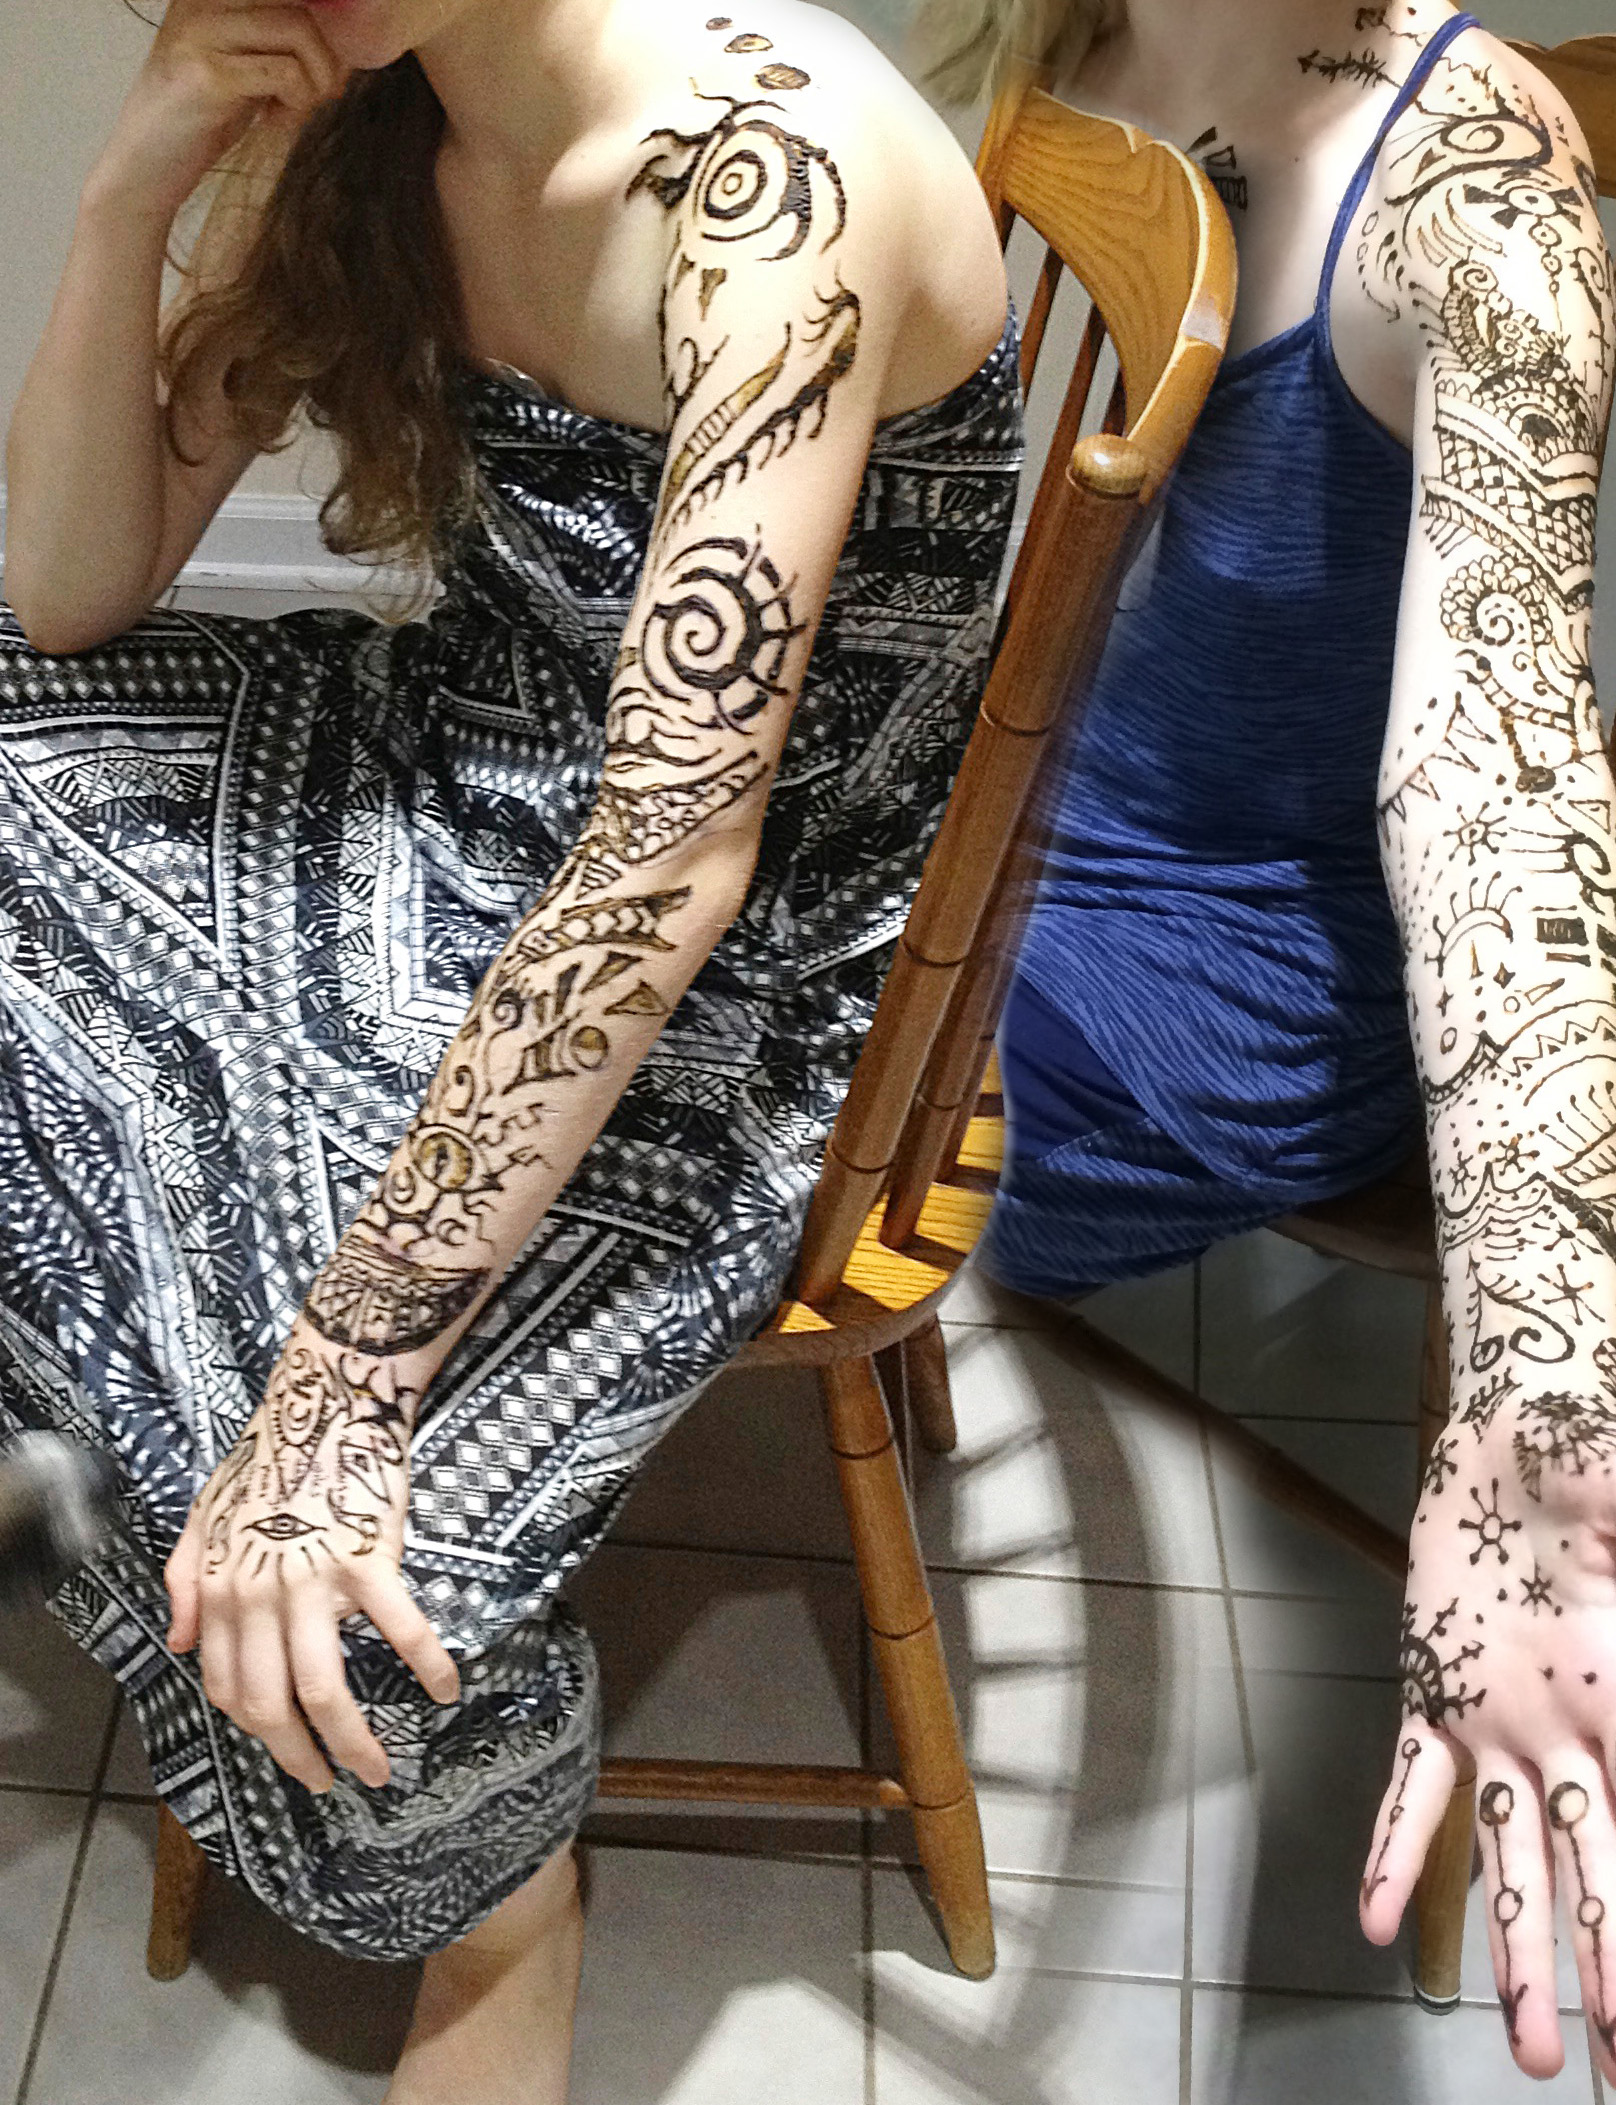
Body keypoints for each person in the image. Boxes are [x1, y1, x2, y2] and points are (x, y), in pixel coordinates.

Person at [1, 0, 1018, 2095]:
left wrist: (338, 1382)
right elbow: (69, 591)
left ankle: (496, 1907)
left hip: (736, 977)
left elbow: (675, 854)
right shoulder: (384, 115)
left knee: (355, 1609)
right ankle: (117, 1403)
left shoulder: (776, 175)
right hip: (448, 768)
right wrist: (133, 181)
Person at [931, 0, 1616, 2093]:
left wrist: (1540, 1367)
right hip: (1032, 803)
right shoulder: (1068, 28)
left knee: (711, 1086)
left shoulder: (1467, 180)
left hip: (1228, 984)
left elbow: (1499, 777)